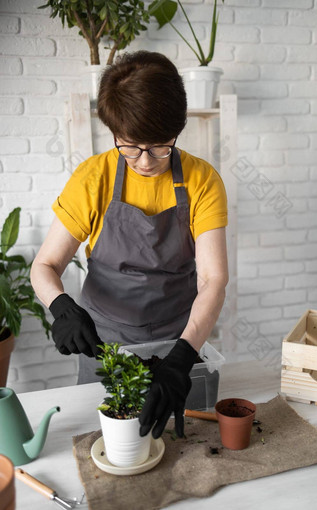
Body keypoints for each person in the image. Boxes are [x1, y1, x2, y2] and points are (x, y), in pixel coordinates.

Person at [30, 50, 229, 440]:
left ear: (179, 128)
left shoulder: (201, 180)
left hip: (178, 338)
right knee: (100, 442)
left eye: (159, 146)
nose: (144, 161)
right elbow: (45, 266)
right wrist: (62, 307)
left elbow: (213, 280)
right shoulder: (94, 177)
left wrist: (182, 358)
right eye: (131, 146)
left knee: (183, 445)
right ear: (114, 132)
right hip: (103, 345)